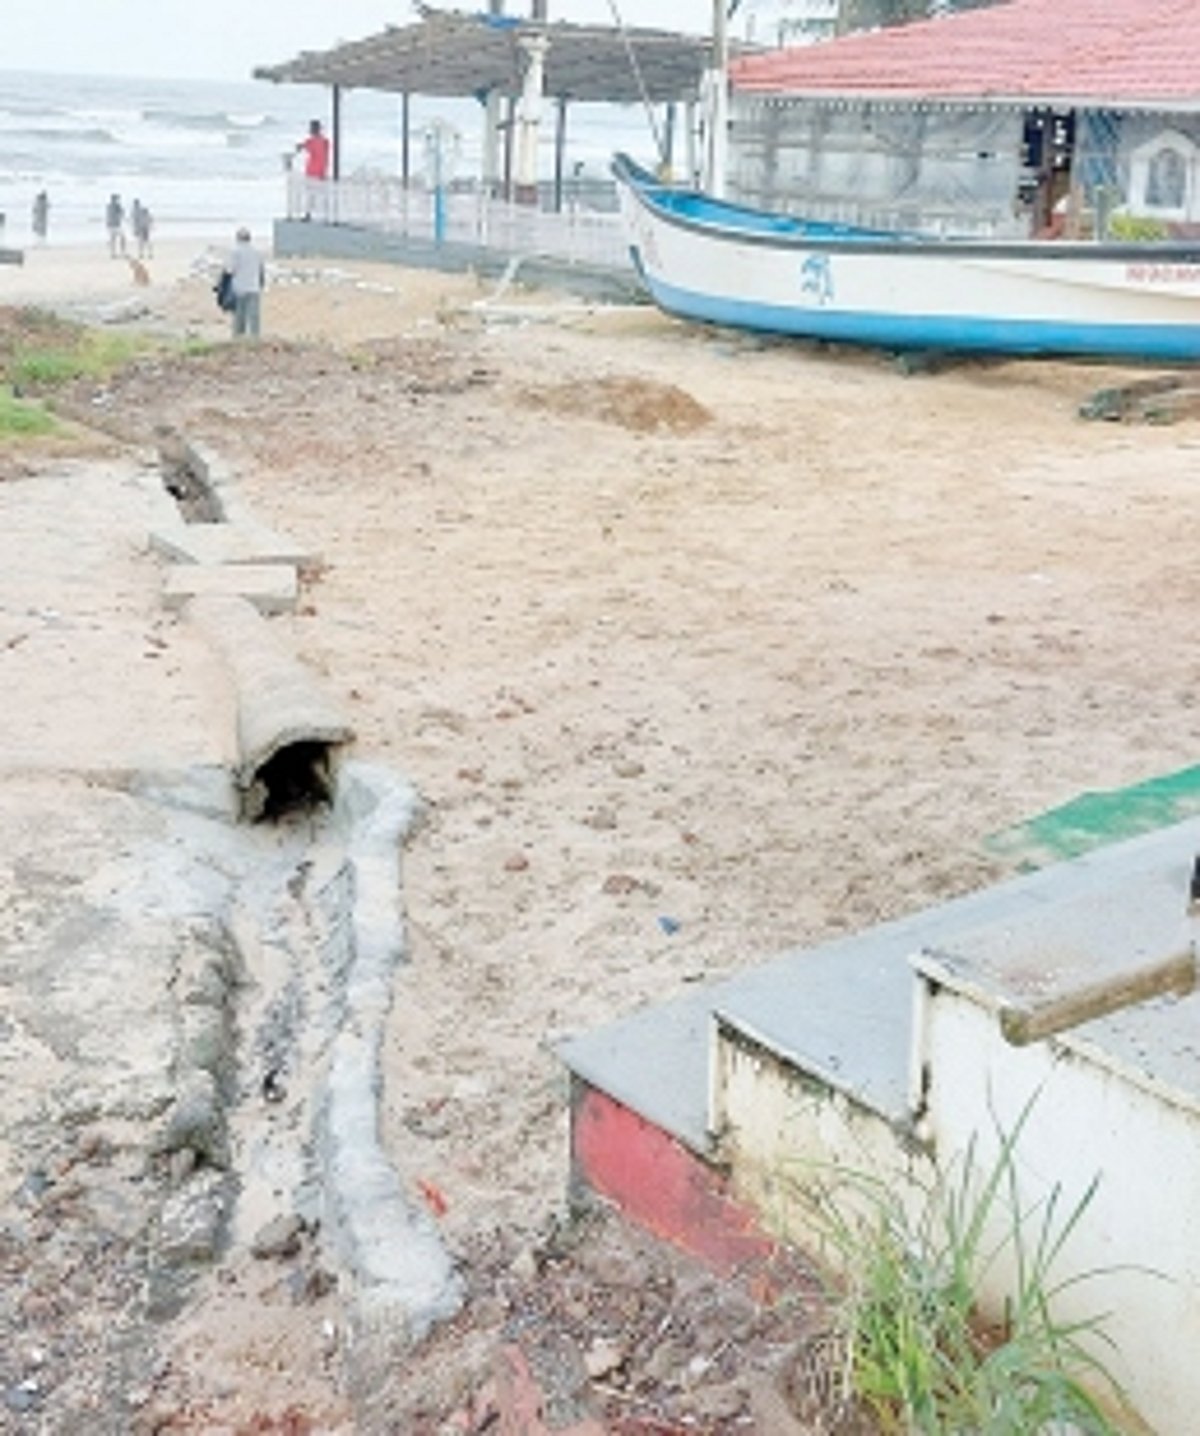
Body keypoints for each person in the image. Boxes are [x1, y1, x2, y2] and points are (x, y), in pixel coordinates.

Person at [225, 226, 264, 339]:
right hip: (254, 287)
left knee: (239, 318)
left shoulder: (235, 252)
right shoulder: (256, 252)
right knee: (254, 318)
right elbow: (260, 270)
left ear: (238, 238)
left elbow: (230, 270)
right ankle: (255, 339)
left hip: (240, 288)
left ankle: (238, 339)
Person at [295, 118, 330, 221]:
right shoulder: (321, 141)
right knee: (315, 195)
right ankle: (315, 214)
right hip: (316, 171)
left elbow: (301, 147)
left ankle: (313, 215)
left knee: (314, 196)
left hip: (315, 172)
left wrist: (300, 146)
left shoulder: (317, 142)